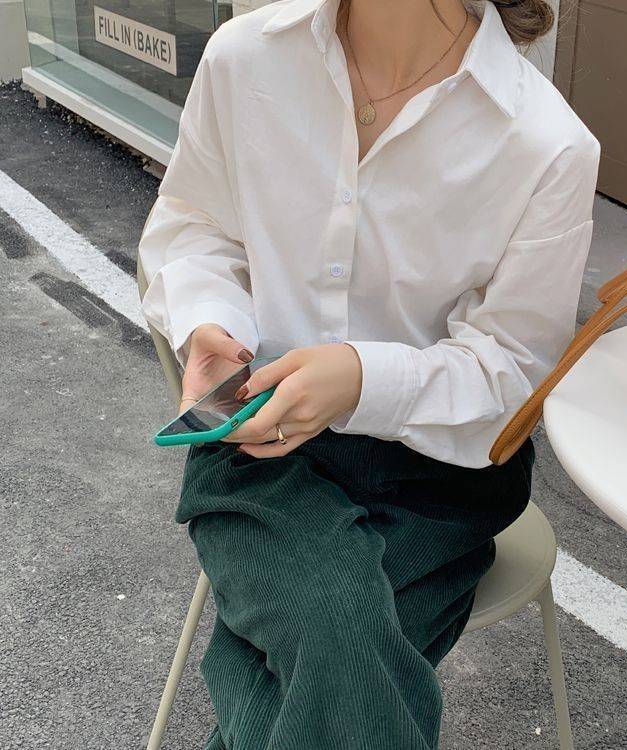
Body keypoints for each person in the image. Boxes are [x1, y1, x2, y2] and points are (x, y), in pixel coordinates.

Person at [138, 0, 600, 746]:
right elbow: (195, 226)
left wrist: (361, 380)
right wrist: (210, 320)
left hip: (438, 475)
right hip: (256, 448)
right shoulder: (245, 58)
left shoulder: (545, 144)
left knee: (328, 656)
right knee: (342, 640)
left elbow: (514, 375)